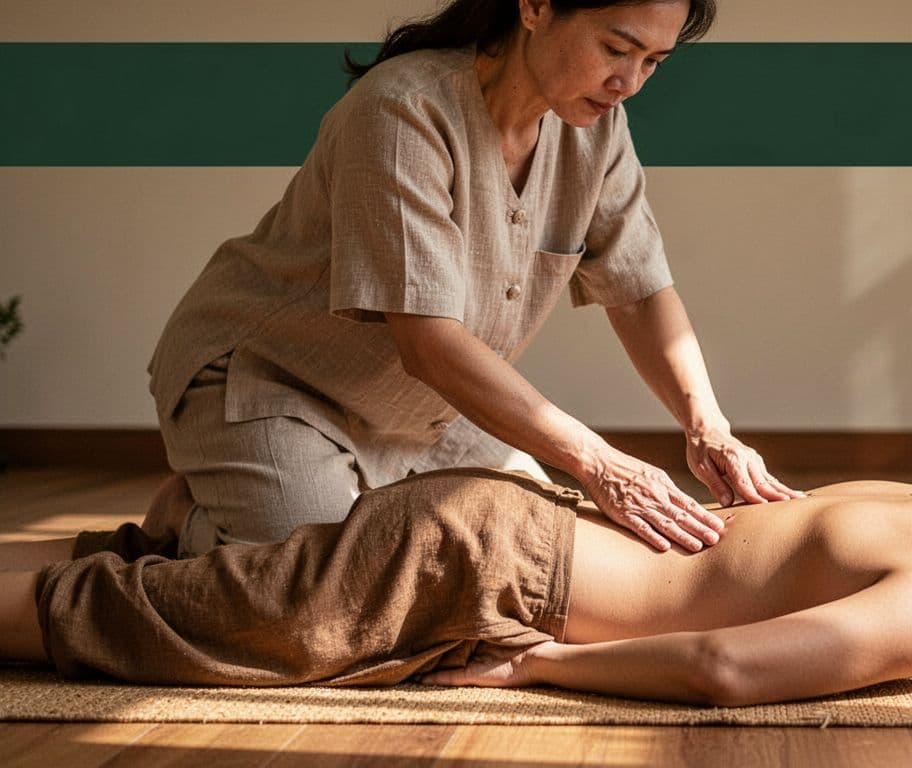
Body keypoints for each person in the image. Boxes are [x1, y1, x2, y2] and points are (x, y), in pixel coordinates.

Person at [144, 0, 799, 560]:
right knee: (331, 584)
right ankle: (191, 522)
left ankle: (272, 501)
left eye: (653, 61)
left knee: (542, 548)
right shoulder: (402, 109)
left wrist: (707, 426)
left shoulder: (597, 131)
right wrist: (600, 461)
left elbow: (639, 291)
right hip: (268, 382)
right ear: (535, 6)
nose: (628, 82)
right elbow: (429, 343)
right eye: (616, 48)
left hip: (415, 411)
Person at [0, 448, 912, 706]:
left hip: (497, 525)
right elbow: (721, 669)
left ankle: (177, 535)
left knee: (196, 595)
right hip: (485, 567)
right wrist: (536, 669)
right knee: (126, 632)